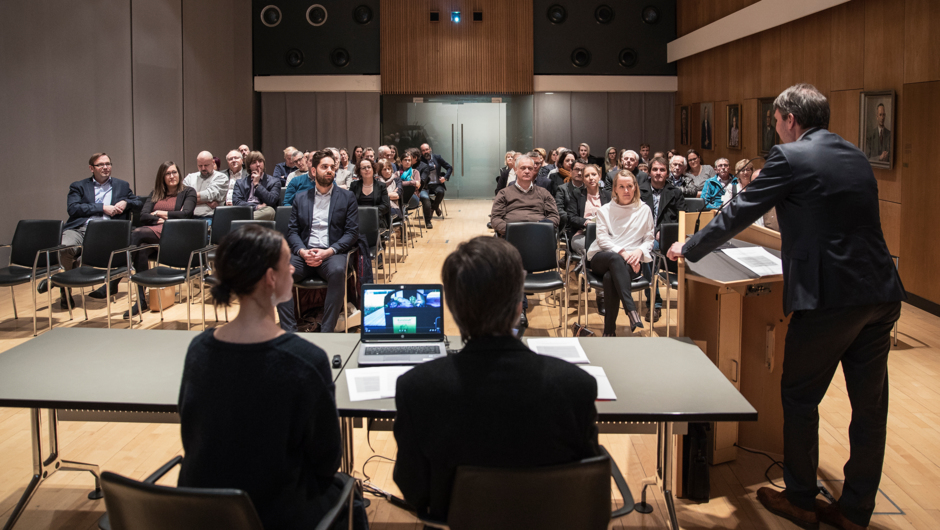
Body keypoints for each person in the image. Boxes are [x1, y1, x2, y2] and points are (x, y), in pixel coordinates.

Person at [667, 84, 905, 530]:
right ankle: (855, 511)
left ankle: (799, 499)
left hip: (830, 298)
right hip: (881, 294)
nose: (775, 130)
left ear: (790, 119)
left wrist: (690, 246)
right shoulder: (854, 155)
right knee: (870, 410)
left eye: (775, 121)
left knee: (798, 396)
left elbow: (738, 212)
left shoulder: (789, 157)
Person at [393, 236, 600, 523]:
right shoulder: (575, 385)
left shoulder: (417, 388)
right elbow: (586, 481)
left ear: (453, 309)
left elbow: (413, 488)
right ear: (519, 306)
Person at [178, 224, 367, 530]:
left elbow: (192, 435)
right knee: (346, 491)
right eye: (287, 264)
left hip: (206, 509)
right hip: (275, 513)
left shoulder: (199, 350)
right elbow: (327, 460)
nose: (293, 270)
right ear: (270, 278)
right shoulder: (305, 360)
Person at [276, 150, 359, 333]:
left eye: (332, 167)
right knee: (280, 272)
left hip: (331, 253)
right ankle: (290, 332)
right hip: (305, 253)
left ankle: (326, 332)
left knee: (338, 271)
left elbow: (352, 232)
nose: (330, 170)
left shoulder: (347, 198)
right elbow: (292, 231)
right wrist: (302, 251)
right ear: (313, 171)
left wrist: (329, 251)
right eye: (324, 167)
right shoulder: (301, 197)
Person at [50, 153, 140, 307]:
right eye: (101, 165)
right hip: (81, 228)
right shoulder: (78, 186)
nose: (105, 167)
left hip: (108, 232)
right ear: (91, 168)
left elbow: (138, 202)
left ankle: (108, 281)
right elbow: (73, 209)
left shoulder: (122, 185)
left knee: (132, 244)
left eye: (108, 164)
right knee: (65, 247)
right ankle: (65, 288)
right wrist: (102, 208)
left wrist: (126, 202)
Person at [490, 154, 559, 329]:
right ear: (516, 170)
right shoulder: (504, 193)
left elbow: (554, 217)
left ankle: (519, 306)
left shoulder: (543, 193)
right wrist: (513, 232)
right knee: (515, 256)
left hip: (537, 241)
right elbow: (496, 219)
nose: (527, 171)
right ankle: (520, 307)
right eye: (523, 168)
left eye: (530, 168)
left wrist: (539, 230)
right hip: (511, 239)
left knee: (518, 258)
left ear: (535, 170)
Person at [126, 161, 197, 318]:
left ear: (179, 174)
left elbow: (185, 214)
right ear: (162, 177)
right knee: (142, 248)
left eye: (174, 172)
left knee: (136, 234)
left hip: (175, 235)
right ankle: (140, 300)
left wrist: (158, 212)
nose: (172, 176)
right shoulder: (155, 193)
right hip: (154, 233)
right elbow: (143, 215)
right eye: (168, 173)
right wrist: (163, 218)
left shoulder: (188, 192)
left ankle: (116, 277)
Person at [587, 170, 654, 335]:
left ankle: (609, 331)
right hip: (603, 257)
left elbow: (649, 239)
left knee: (611, 278)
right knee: (615, 259)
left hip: (632, 260)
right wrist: (624, 254)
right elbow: (602, 240)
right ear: (615, 189)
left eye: (630, 186)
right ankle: (630, 308)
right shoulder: (605, 210)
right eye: (622, 187)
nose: (626, 190)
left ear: (635, 187)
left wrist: (639, 252)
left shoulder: (644, 210)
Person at [639, 157, 685, 322]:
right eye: (655, 169)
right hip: (641, 235)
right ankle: (652, 302)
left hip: (665, 238)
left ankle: (654, 304)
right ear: (649, 172)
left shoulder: (675, 192)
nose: (658, 173)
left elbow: (681, 219)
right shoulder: (639, 190)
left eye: (662, 170)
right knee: (648, 251)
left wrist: (662, 231)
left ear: (667, 173)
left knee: (649, 251)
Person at [565, 163, 611, 256]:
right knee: (586, 246)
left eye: (594, 174)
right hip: (583, 234)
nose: (591, 178)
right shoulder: (576, 194)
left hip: (605, 234)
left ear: (599, 176)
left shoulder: (608, 195)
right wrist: (586, 222)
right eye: (587, 176)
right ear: (583, 179)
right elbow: (571, 217)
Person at [182, 151, 228, 224]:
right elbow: (181, 197)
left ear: (213, 163)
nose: (203, 168)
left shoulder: (221, 177)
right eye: (200, 165)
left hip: (210, 217)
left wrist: (190, 199)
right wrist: (207, 200)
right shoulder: (190, 177)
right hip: (189, 217)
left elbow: (209, 194)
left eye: (206, 165)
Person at [233, 151, 281, 220]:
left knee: (270, 211)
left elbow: (271, 200)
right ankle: (246, 221)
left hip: (264, 213)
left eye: (260, 161)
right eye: (254, 162)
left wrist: (257, 184)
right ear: (249, 166)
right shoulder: (240, 183)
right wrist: (256, 207)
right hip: (246, 211)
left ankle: (243, 222)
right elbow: (237, 202)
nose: (258, 164)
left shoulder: (274, 181)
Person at [349, 158, 391, 231]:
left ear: (373, 169)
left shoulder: (381, 186)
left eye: (369, 167)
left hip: (377, 220)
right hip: (358, 221)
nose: (367, 169)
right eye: (363, 168)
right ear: (359, 171)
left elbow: (385, 205)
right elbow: (350, 205)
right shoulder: (354, 186)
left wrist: (370, 213)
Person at [419, 143, 453, 220]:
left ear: (430, 149)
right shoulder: (420, 160)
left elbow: (449, 167)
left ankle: (432, 208)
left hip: (436, 184)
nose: (426, 152)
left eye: (427, 149)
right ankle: (436, 207)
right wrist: (431, 167)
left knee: (441, 192)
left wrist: (445, 177)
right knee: (422, 196)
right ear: (421, 152)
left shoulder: (437, 157)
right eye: (423, 150)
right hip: (425, 185)